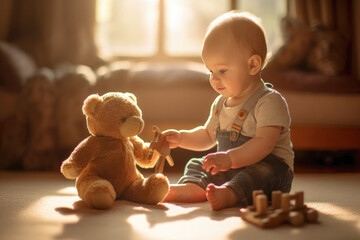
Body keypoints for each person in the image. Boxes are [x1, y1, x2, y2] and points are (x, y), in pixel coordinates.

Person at [162, 11, 294, 211]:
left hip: (271, 170)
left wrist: (229, 159)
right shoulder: (220, 104)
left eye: (222, 70)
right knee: (198, 163)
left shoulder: (269, 101)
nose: (215, 79)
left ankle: (231, 194)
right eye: (210, 71)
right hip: (230, 168)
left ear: (253, 65)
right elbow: (208, 135)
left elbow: (264, 144)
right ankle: (193, 187)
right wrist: (181, 138)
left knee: (259, 173)